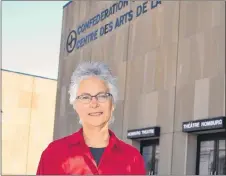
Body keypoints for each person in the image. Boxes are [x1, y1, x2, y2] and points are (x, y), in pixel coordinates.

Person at [36, 61, 146, 175]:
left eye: (102, 96)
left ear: (112, 104)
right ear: (75, 105)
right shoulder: (54, 154)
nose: (94, 103)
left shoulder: (132, 158)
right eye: (85, 97)